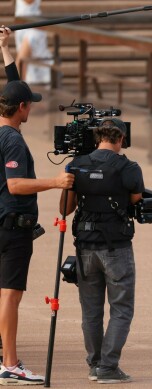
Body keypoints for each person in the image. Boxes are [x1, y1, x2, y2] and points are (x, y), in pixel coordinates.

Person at [0, 26, 74, 385]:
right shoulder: (12, 141)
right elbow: (15, 184)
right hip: (12, 227)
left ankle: (5, 355)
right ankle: (11, 363)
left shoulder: (3, 128)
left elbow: (13, 88)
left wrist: (5, 49)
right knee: (10, 296)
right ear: (23, 109)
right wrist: (55, 182)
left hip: (4, 223)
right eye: (30, 104)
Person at [60, 118, 144, 384]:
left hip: (84, 246)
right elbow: (135, 201)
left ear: (97, 138)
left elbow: (65, 208)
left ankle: (95, 365)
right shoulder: (128, 167)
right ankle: (108, 367)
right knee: (121, 308)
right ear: (121, 139)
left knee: (91, 311)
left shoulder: (76, 165)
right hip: (116, 247)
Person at [15, 0, 52, 85]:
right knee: (24, 64)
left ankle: (18, 92)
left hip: (32, 27)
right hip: (23, 25)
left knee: (22, 62)